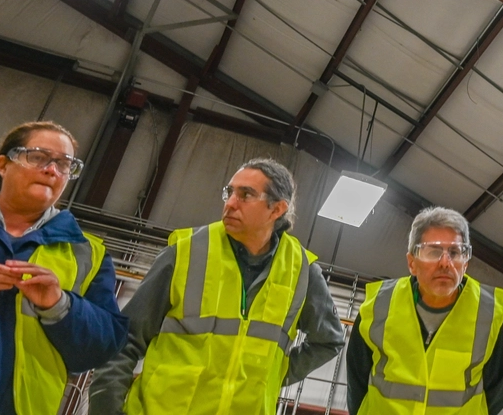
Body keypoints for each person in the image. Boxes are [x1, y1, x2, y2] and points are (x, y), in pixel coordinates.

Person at [88, 158, 345, 415]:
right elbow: (124, 339)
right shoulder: (186, 251)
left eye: (245, 195)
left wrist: (272, 375)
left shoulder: (302, 270)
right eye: (229, 192)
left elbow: (329, 340)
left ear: (276, 209)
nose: (230, 203)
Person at [0, 121, 128, 415]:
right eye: (38, 157)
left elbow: (103, 347)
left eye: (64, 164)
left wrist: (60, 306)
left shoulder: (86, 253)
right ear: (3, 164)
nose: (52, 170)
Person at [346, 207, 503, 415]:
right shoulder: (377, 307)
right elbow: (357, 381)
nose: (445, 263)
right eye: (433, 252)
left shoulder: (492, 317)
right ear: (412, 263)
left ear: (465, 264)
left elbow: (499, 390)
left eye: (455, 252)